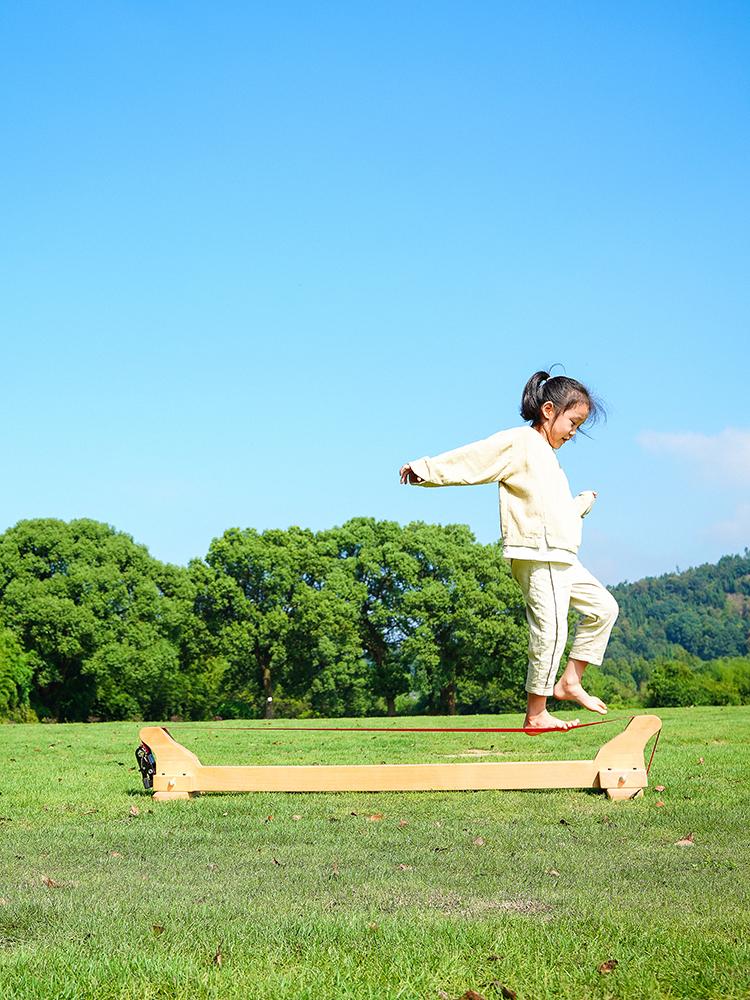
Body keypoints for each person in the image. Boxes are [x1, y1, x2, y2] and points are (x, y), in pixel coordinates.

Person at [399, 369, 619, 731]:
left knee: (604, 609)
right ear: (549, 410)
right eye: (573, 422)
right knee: (551, 632)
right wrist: (426, 469)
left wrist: (581, 502)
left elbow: (552, 510)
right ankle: (536, 713)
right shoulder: (521, 443)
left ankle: (570, 682)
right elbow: (475, 458)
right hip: (538, 554)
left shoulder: (548, 457)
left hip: (561, 556)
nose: (573, 432)